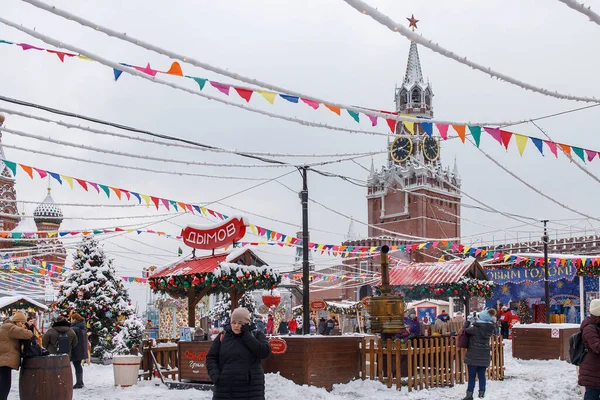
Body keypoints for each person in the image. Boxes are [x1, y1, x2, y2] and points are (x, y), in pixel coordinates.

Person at [206, 307, 271, 399]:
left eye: (240, 323)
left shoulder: (256, 335)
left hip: (250, 390)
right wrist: (215, 376)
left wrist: (247, 336)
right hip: (225, 389)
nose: (236, 326)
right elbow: (211, 357)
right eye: (234, 322)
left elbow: (265, 352)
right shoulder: (222, 336)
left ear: (247, 323)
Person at [462, 308, 497, 400]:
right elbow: (496, 330)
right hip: (484, 356)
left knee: (472, 377)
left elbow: (464, 331)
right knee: (482, 376)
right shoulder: (490, 329)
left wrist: (468, 322)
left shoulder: (474, 329)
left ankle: (469, 395)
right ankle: (482, 394)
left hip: (473, 356)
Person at [0, 310, 34, 400]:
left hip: (3, 360)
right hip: (5, 361)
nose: (22, 325)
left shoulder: (6, 326)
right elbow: (27, 334)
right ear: (18, 321)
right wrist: (29, 328)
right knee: (4, 386)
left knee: (3, 385)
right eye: (22, 323)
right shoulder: (11, 328)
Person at [578, 299, 600, 400]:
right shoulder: (589, 328)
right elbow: (597, 346)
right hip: (592, 371)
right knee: (592, 396)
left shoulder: (597, 325)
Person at [70, 313, 88, 389]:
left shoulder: (75, 328)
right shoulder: (82, 326)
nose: (70, 320)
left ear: (74, 319)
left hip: (76, 349)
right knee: (78, 365)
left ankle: (79, 383)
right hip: (81, 349)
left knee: (76, 365)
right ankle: (80, 382)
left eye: (71, 319)